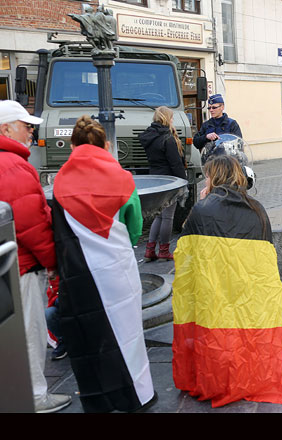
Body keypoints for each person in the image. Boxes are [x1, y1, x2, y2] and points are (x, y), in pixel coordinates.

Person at [50, 115, 156, 413]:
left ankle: (97, 399)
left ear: (73, 145)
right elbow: (135, 225)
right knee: (127, 333)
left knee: (89, 335)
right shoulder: (122, 177)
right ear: (106, 144)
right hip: (117, 269)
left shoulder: (61, 180)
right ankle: (137, 395)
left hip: (80, 273)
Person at [172, 154, 282, 408]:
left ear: (214, 177)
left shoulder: (203, 209)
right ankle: (247, 374)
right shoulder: (257, 208)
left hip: (214, 289)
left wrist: (200, 204)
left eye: (208, 175)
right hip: (249, 290)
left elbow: (185, 249)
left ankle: (220, 374)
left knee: (218, 327)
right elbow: (267, 256)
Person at [0, 100, 72, 413]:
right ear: (6, 129)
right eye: (25, 125)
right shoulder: (13, 165)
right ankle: (35, 397)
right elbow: (31, 222)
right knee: (30, 333)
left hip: (14, 265)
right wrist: (53, 261)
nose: (31, 131)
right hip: (23, 267)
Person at [138, 106, 187, 261]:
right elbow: (176, 164)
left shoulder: (150, 137)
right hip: (170, 181)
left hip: (155, 178)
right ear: (167, 118)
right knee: (167, 217)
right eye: (171, 117)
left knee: (158, 216)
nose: (173, 120)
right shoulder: (168, 139)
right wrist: (183, 183)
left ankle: (150, 250)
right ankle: (164, 250)